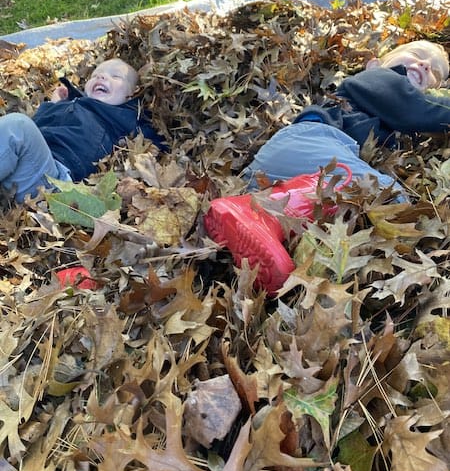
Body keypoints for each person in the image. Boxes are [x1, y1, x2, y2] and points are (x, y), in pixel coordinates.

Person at [204, 40, 450, 294]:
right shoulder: (380, 78)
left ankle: (263, 231)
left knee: (345, 212)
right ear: (374, 63)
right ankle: (257, 215)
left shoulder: (391, 115)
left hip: (284, 172)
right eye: (417, 55)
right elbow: (418, 111)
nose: (424, 64)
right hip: (310, 142)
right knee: (390, 195)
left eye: (435, 72)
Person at [0, 58, 166, 203]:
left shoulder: (126, 116)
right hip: (23, 167)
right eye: (95, 75)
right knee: (18, 128)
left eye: (115, 76)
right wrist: (54, 106)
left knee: (18, 126)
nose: (101, 76)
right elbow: (35, 128)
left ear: (133, 92)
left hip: (53, 181)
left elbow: (158, 141)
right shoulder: (71, 105)